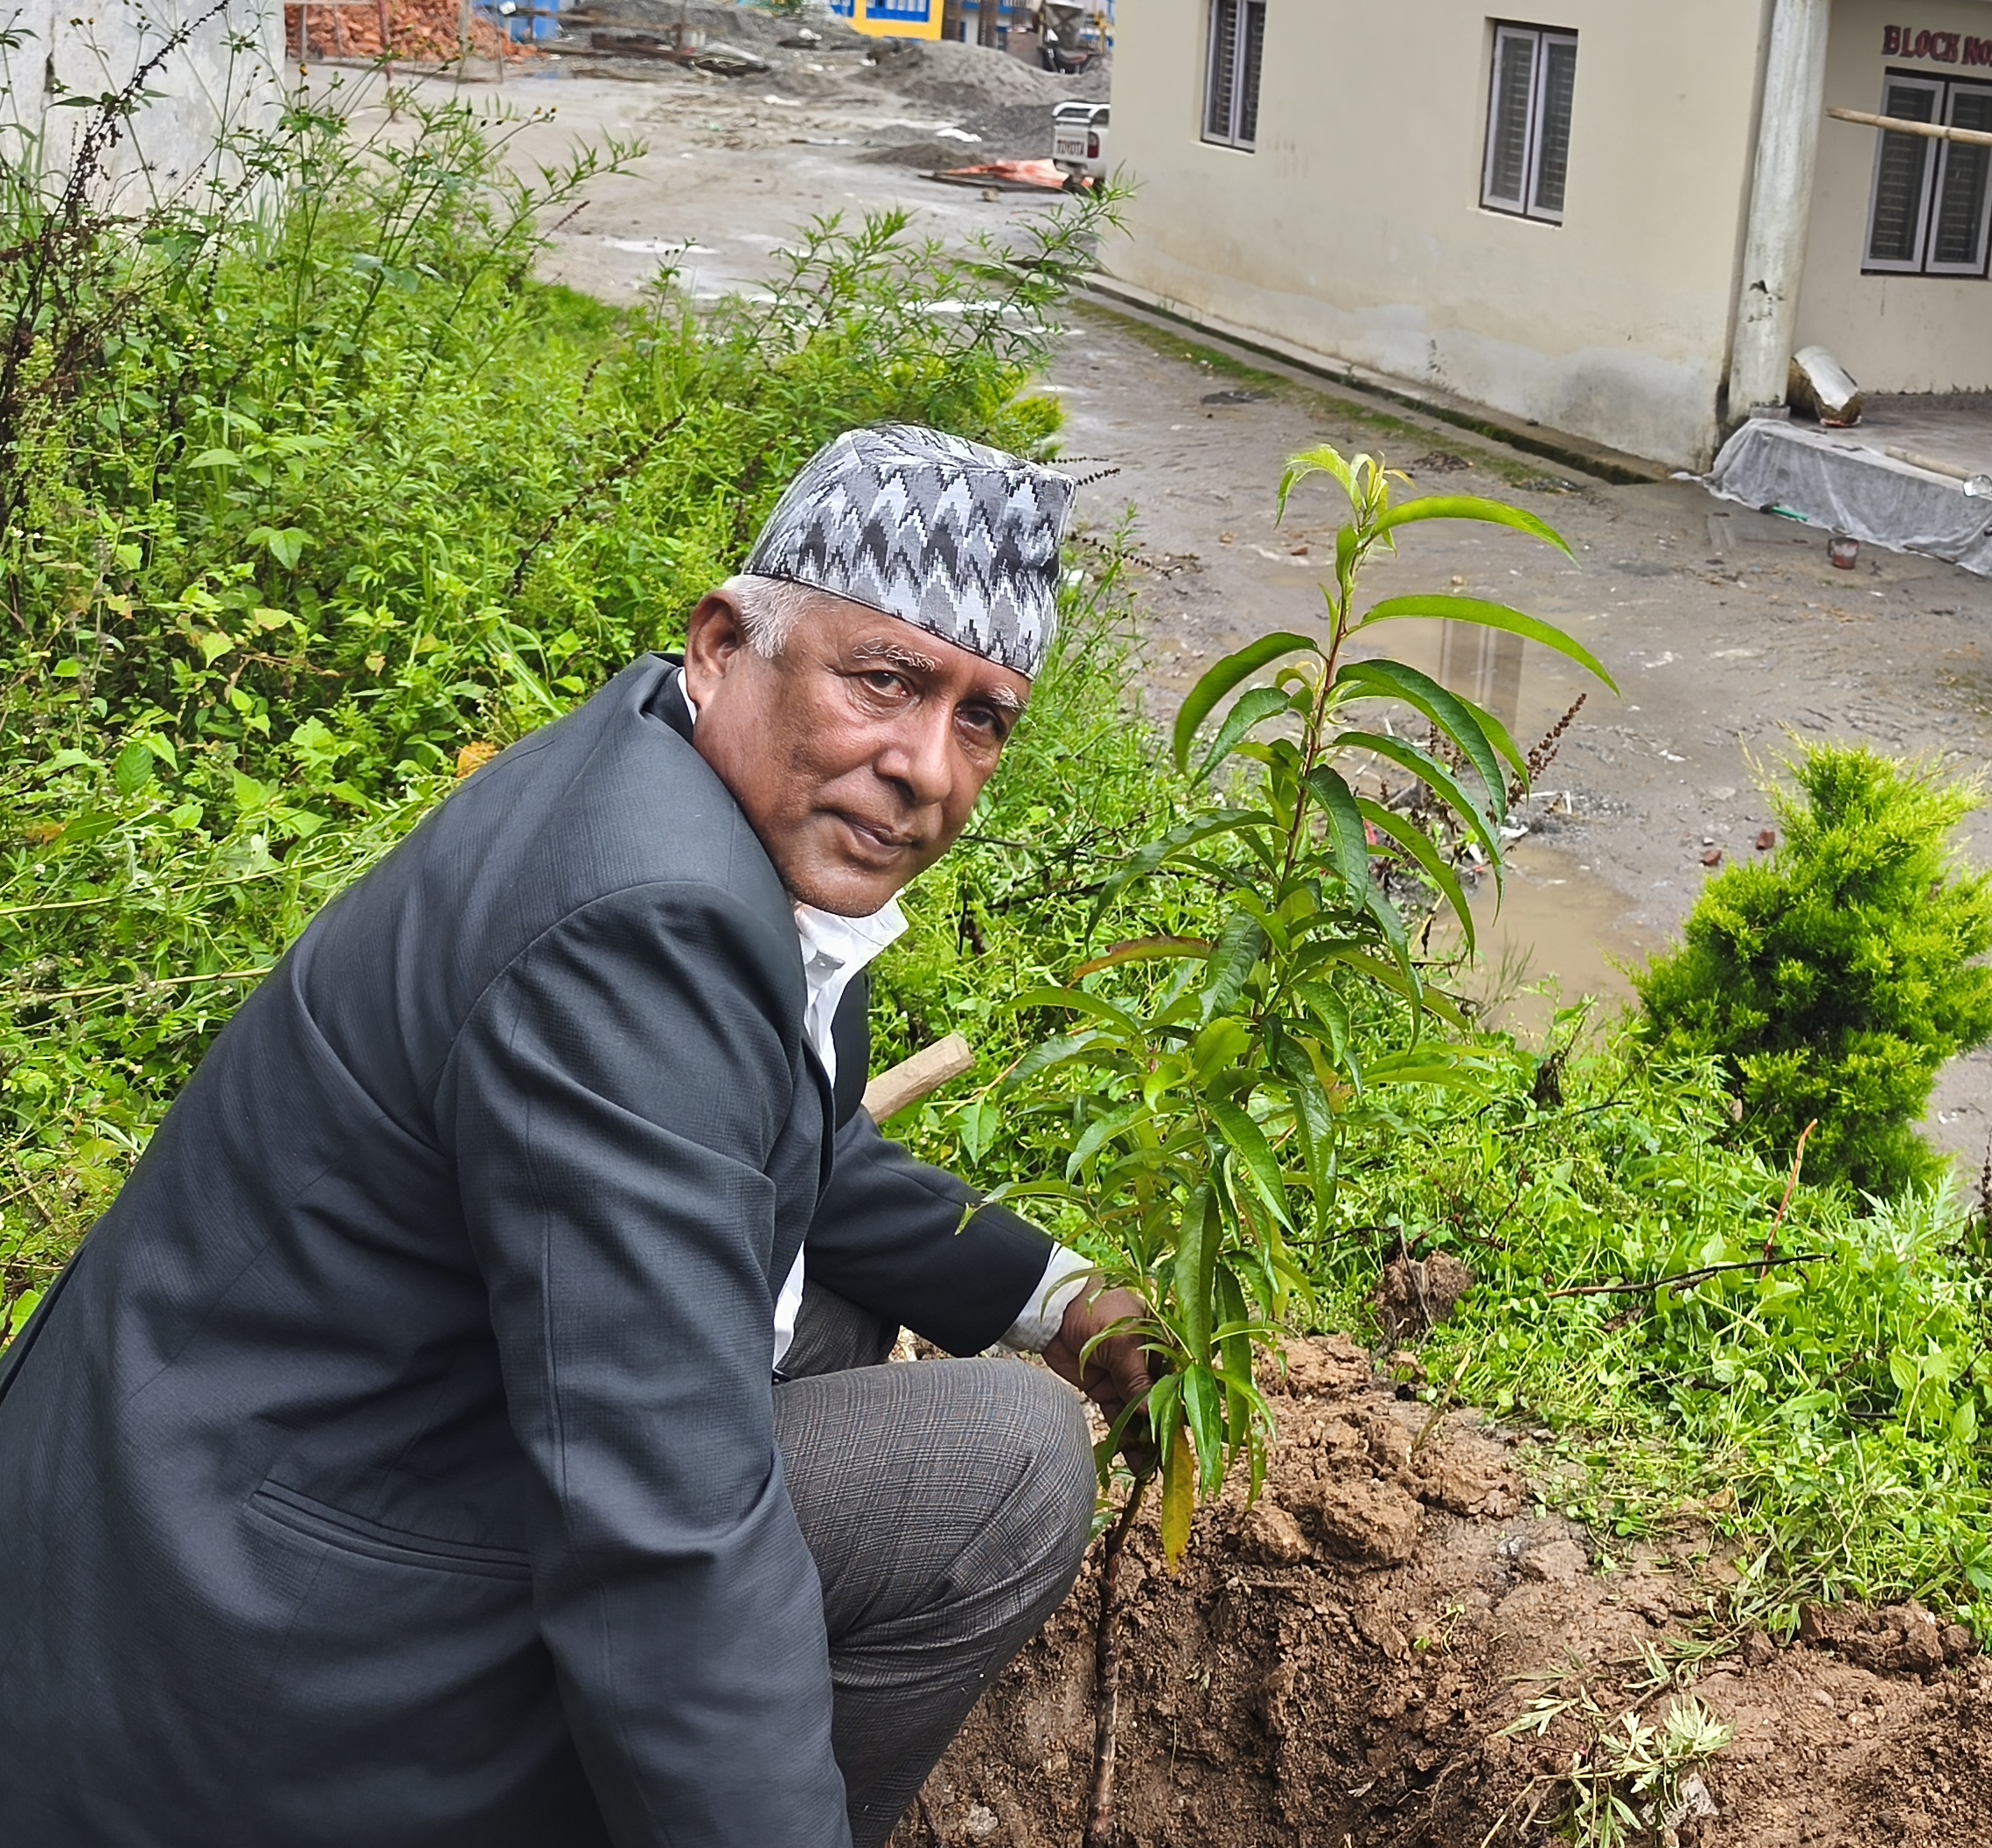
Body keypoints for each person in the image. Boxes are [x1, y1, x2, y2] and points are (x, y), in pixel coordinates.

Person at [0, 426, 1154, 1848]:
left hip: (197, 1482)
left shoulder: (669, 782)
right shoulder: (644, 923)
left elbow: (790, 1150)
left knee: (839, 1310)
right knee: (1010, 1467)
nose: (927, 765)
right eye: (886, 679)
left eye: (983, 717)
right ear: (728, 642)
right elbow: (666, 1539)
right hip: (244, 1628)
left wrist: (1056, 1298)